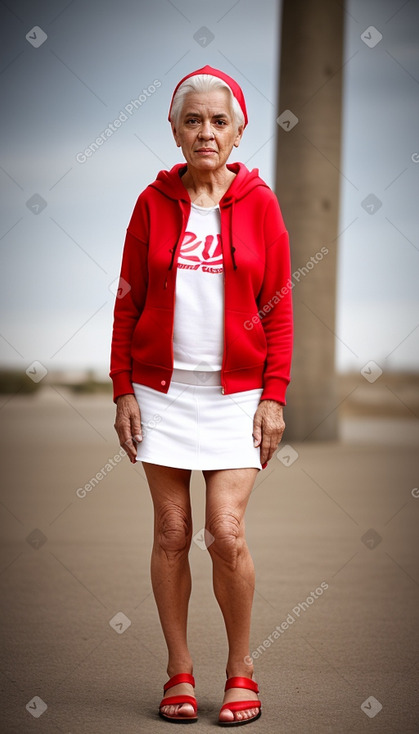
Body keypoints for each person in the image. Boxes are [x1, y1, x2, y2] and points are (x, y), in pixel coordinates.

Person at [110, 65, 293, 726]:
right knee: (172, 531)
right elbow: (126, 301)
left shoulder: (260, 205)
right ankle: (177, 670)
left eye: (218, 120)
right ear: (174, 129)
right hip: (159, 392)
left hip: (235, 396)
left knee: (223, 530)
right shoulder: (150, 204)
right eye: (193, 120)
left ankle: (240, 670)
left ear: (238, 130)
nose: (205, 131)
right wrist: (121, 391)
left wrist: (273, 397)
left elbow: (278, 309)